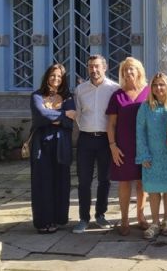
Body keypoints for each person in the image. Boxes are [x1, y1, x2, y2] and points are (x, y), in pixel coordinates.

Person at [72, 55, 119, 234]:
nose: (94, 70)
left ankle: (100, 215)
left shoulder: (114, 89)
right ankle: (83, 218)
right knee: (83, 180)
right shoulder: (80, 90)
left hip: (106, 140)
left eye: (97, 66)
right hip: (85, 139)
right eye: (91, 66)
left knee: (104, 180)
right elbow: (75, 113)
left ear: (105, 67)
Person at [29, 63, 76, 233]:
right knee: (43, 182)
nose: (56, 79)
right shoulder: (36, 96)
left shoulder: (68, 97)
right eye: (53, 75)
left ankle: (58, 218)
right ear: (47, 77)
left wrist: (59, 118)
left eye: (59, 76)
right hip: (41, 144)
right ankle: (43, 221)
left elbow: (71, 119)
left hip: (61, 144)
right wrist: (63, 115)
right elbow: (41, 116)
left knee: (61, 181)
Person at [106, 57, 151, 236]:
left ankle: (140, 216)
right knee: (124, 183)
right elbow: (111, 124)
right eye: (125, 70)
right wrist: (112, 146)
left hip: (145, 145)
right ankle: (124, 219)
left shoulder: (149, 92)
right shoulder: (117, 95)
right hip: (123, 146)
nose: (129, 72)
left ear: (139, 71)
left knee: (143, 182)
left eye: (132, 69)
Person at [136, 72, 167, 240]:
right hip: (152, 155)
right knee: (154, 190)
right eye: (155, 85)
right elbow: (140, 132)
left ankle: (165, 221)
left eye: (162, 84)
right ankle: (154, 223)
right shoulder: (146, 107)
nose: (158, 88)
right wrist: (143, 154)